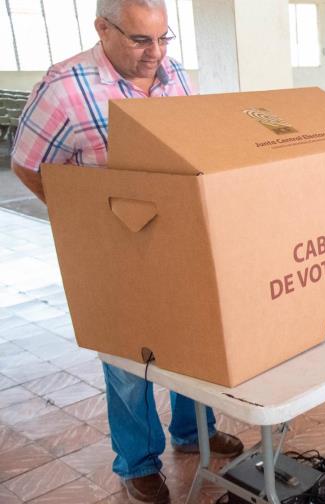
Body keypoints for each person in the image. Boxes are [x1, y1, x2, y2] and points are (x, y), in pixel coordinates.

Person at [12, 1, 243, 502]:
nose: (155, 53)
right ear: (103, 29)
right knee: (126, 361)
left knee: (190, 343)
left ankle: (192, 432)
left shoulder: (173, 74)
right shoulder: (63, 88)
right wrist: (82, 222)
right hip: (112, 252)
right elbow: (28, 165)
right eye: (141, 41)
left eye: (164, 39)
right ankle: (137, 462)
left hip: (177, 242)